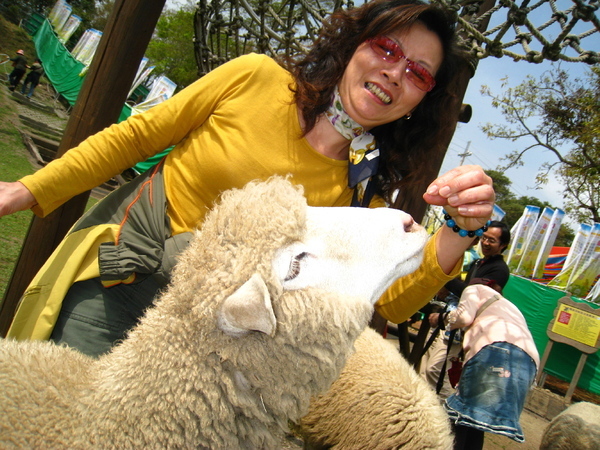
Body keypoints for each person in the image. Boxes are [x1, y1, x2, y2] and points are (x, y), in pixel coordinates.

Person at [0, 0, 495, 358]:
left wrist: (460, 230)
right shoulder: (256, 77)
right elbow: (136, 138)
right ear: (354, 45)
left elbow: (391, 298)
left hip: (206, 343)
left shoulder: (364, 189)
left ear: (422, 100)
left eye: (418, 73)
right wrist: (25, 190)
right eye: (387, 48)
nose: (395, 72)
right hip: (122, 280)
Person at [442, 284, 540, 449]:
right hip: (528, 361)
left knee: (457, 416)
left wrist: (444, 318)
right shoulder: (509, 307)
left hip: (495, 349)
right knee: (473, 421)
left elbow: (464, 317)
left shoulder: (474, 288)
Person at [420, 221, 511, 397]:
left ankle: (450, 408)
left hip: (460, 326)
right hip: (450, 319)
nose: (485, 243)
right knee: (425, 365)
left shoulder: (499, 270)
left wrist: (445, 277)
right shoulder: (478, 264)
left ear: (503, 246)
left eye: (491, 240)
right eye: (484, 238)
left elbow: (476, 298)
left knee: (436, 370)